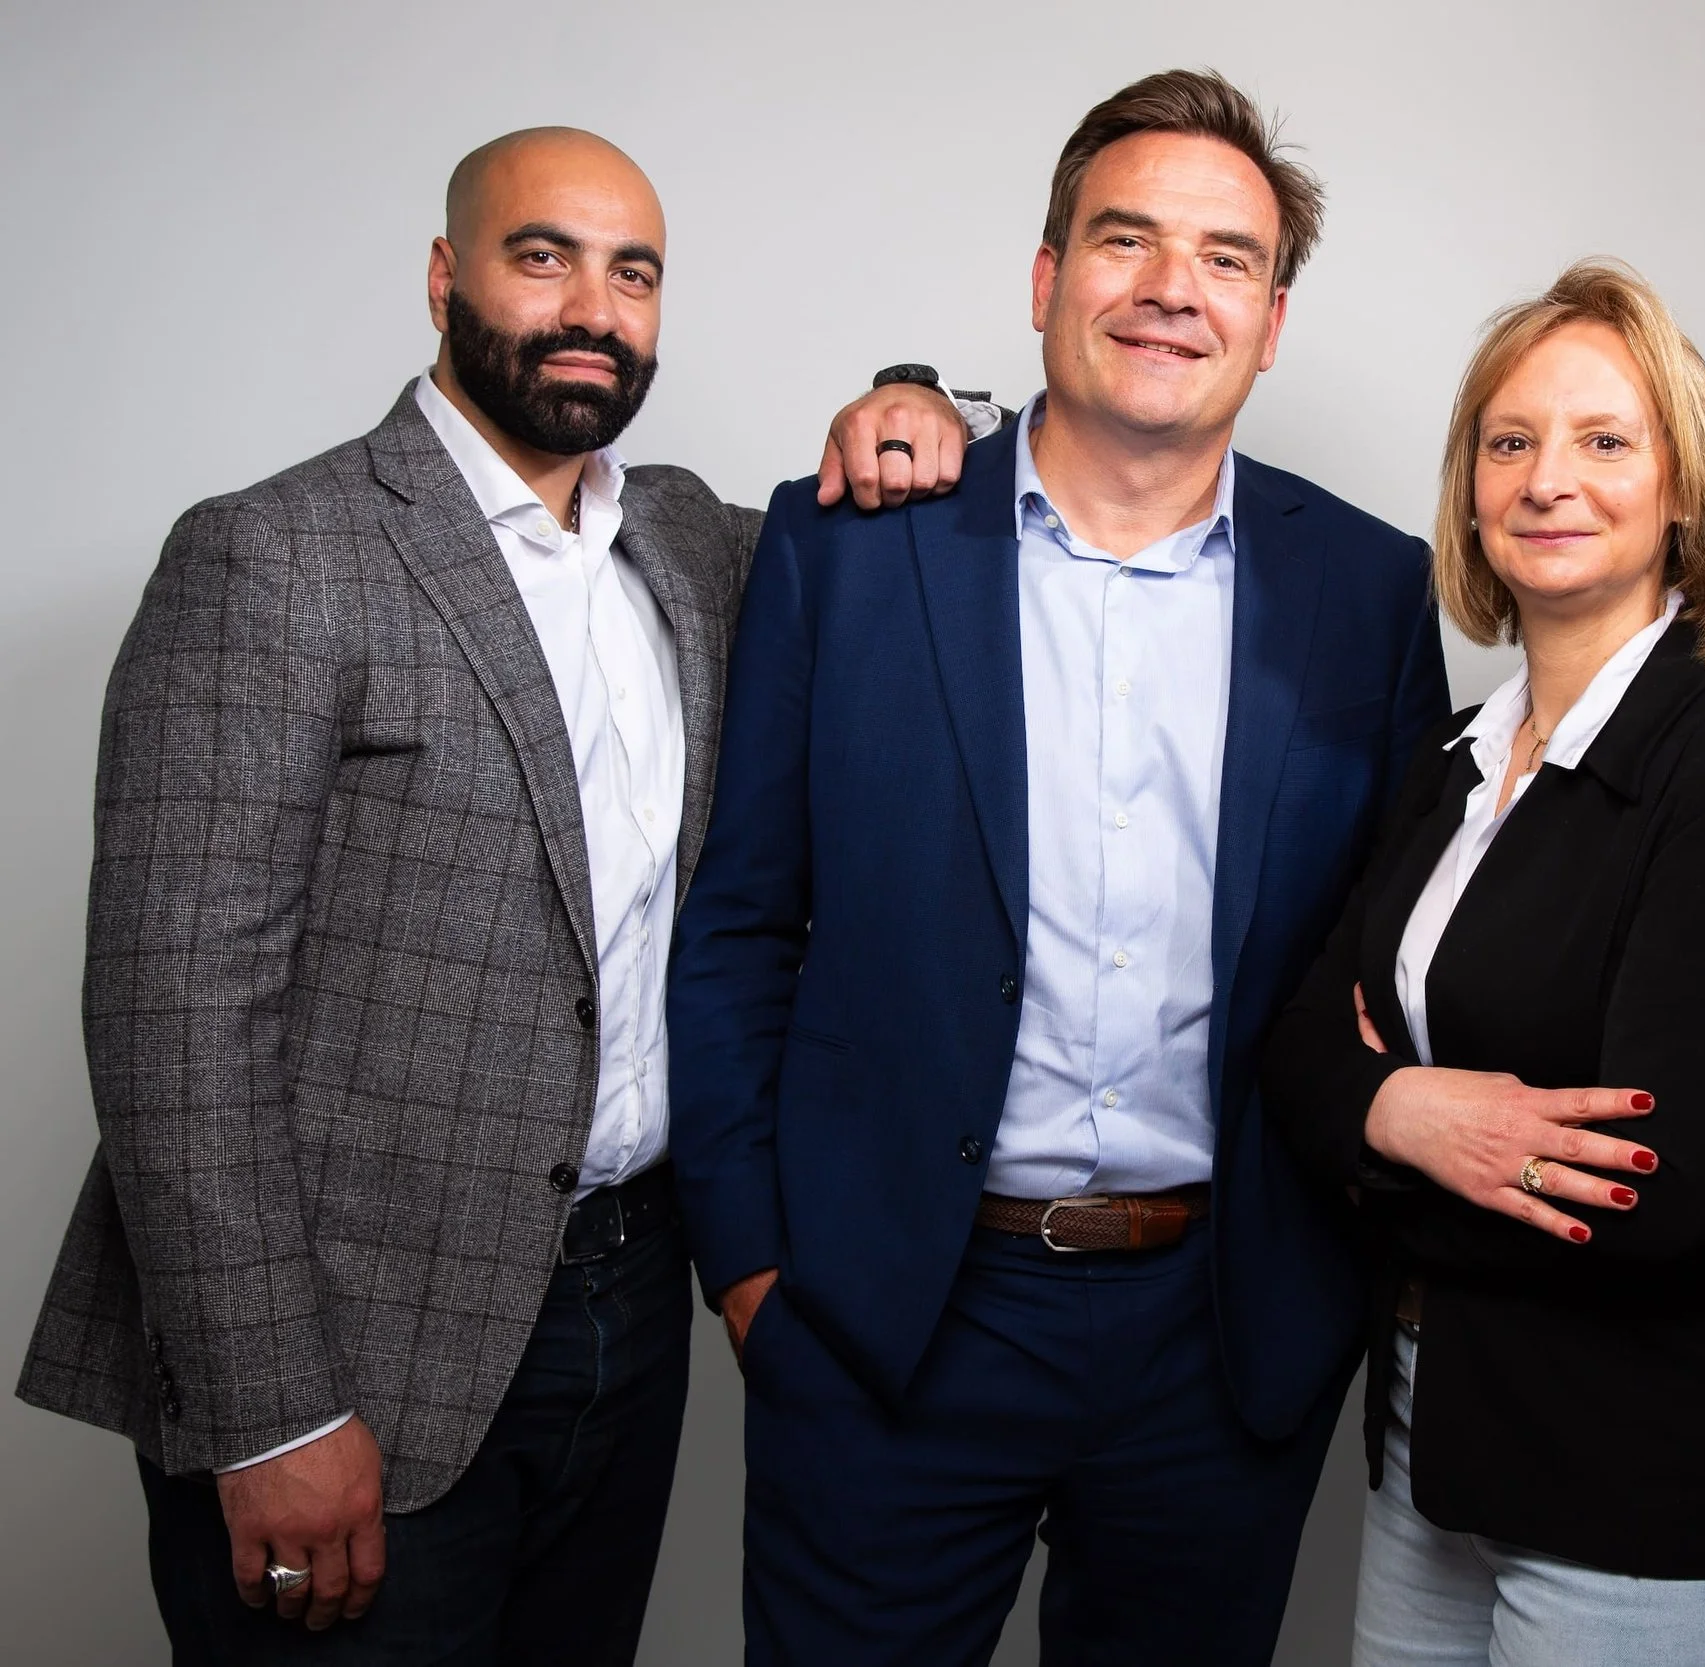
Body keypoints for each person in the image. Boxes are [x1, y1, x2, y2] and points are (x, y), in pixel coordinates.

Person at [13, 124, 987, 1663]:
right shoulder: (274, 558)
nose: (593, 307)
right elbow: (171, 1023)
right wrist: (274, 1411)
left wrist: (919, 391)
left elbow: (883, 500)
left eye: (634, 273)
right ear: (445, 276)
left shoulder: (691, 543)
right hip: (352, 1340)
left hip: (627, 1308)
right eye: (545, 258)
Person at [665, 69, 1449, 1666]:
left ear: (1273, 320)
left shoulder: (1369, 590)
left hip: (1220, 1330)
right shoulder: (848, 545)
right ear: (1044, 283)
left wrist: (1343, 1291)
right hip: (892, 1315)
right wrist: (752, 1268)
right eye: (1127, 241)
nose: (1173, 289)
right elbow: (742, 923)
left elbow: (1388, 957)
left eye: (1227, 258)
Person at [1262, 260, 1705, 1666]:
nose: (1547, 478)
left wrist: (1366, 1128)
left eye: (1604, 440)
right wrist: (1405, 1112)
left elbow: (1654, 1191)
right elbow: (1294, 1043)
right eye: (1509, 441)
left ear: (1682, 489)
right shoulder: (1451, 759)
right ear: (1470, 487)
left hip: (1645, 1486)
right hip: (1430, 1451)